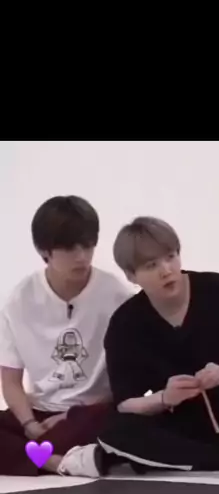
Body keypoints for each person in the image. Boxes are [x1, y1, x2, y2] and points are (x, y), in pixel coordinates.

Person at [59, 216, 219, 477]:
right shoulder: (126, 322)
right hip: (184, 429)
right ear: (131, 275)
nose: (166, 270)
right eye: (151, 265)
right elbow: (126, 403)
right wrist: (164, 398)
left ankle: (201, 460)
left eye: (171, 257)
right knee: (115, 431)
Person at [0, 195, 132, 476]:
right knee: (38, 437)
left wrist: (67, 416)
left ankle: (34, 456)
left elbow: (127, 382)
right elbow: (10, 381)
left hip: (91, 412)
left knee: (115, 423)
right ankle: (55, 461)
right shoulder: (18, 301)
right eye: (70, 248)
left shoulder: (118, 296)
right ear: (43, 250)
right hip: (40, 414)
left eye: (88, 245)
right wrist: (29, 424)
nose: (82, 256)